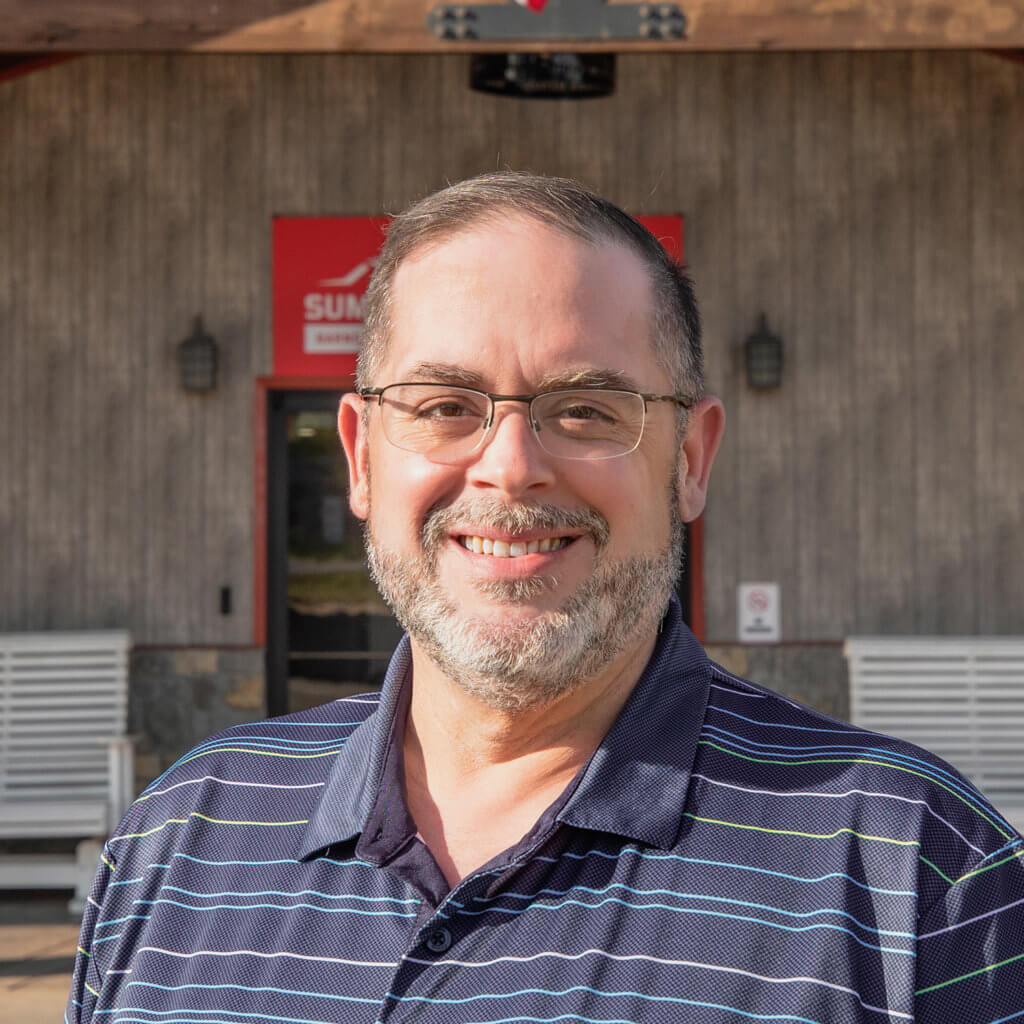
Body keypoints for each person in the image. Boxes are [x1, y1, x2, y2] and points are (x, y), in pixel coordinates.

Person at [68, 173, 1023, 1024]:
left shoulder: (916, 871)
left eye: (586, 411)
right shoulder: (182, 835)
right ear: (361, 457)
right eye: (445, 406)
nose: (511, 468)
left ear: (689, 462)